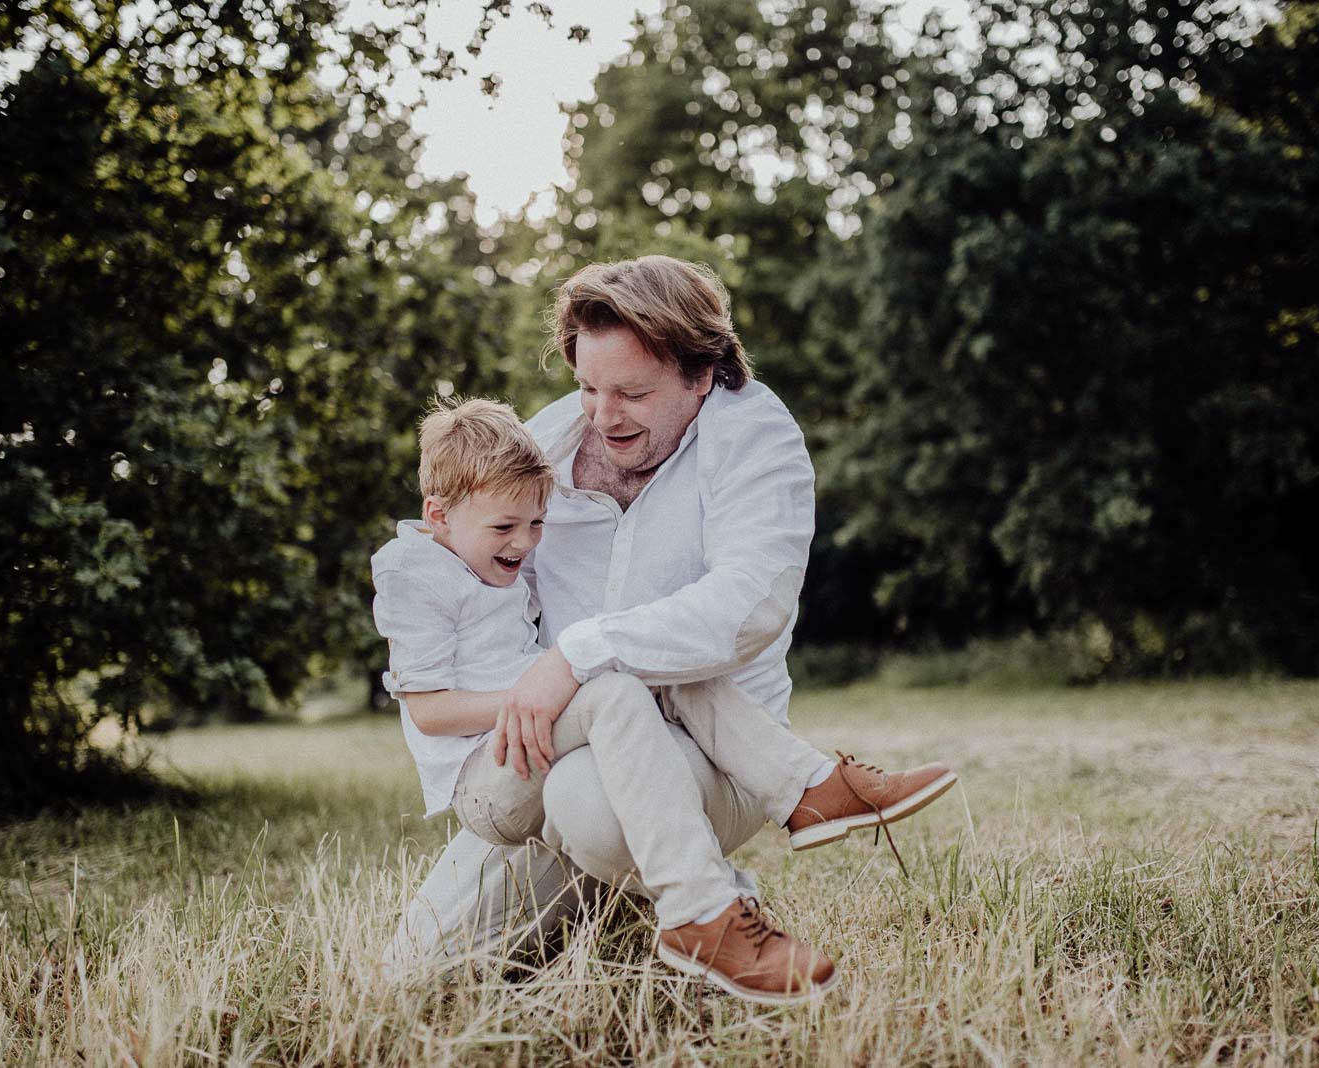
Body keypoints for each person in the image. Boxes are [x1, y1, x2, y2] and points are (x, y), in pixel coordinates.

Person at [380, 256, 958, 1002]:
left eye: (633, 392)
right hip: (544, 749)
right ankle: (673, 894)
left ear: (702, 374)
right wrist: (547, 670)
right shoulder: (540, 450)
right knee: (414, 978)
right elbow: (455, 558)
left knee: (593, 790)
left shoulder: (755, 439)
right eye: (588, 386)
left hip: (715, 753)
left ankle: (720, 896)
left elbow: (746, 609)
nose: (603, 413)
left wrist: (575, 657)